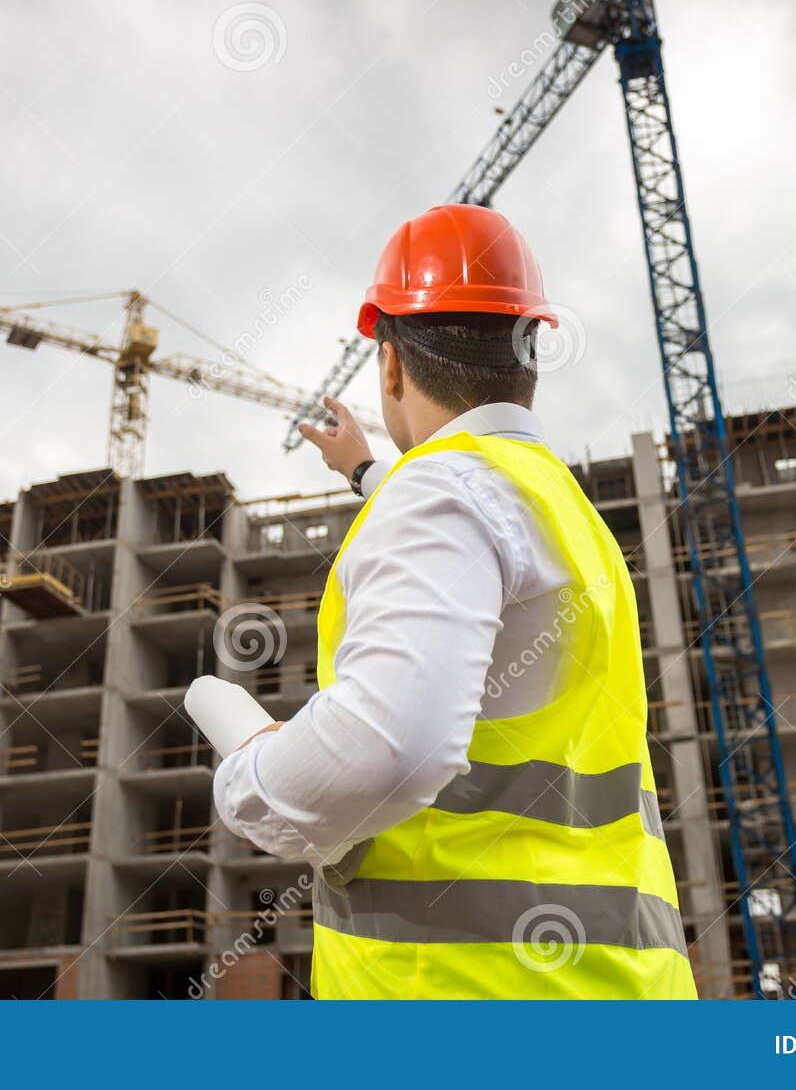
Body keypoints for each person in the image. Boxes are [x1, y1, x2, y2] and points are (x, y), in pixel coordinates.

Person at [211, 203, 695, 999]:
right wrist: (367, 472)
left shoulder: (445, 494)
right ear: (527, 351)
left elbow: (391, 746)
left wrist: (249, 772)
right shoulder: (559, 508)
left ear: (390, 364)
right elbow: (466, 527)